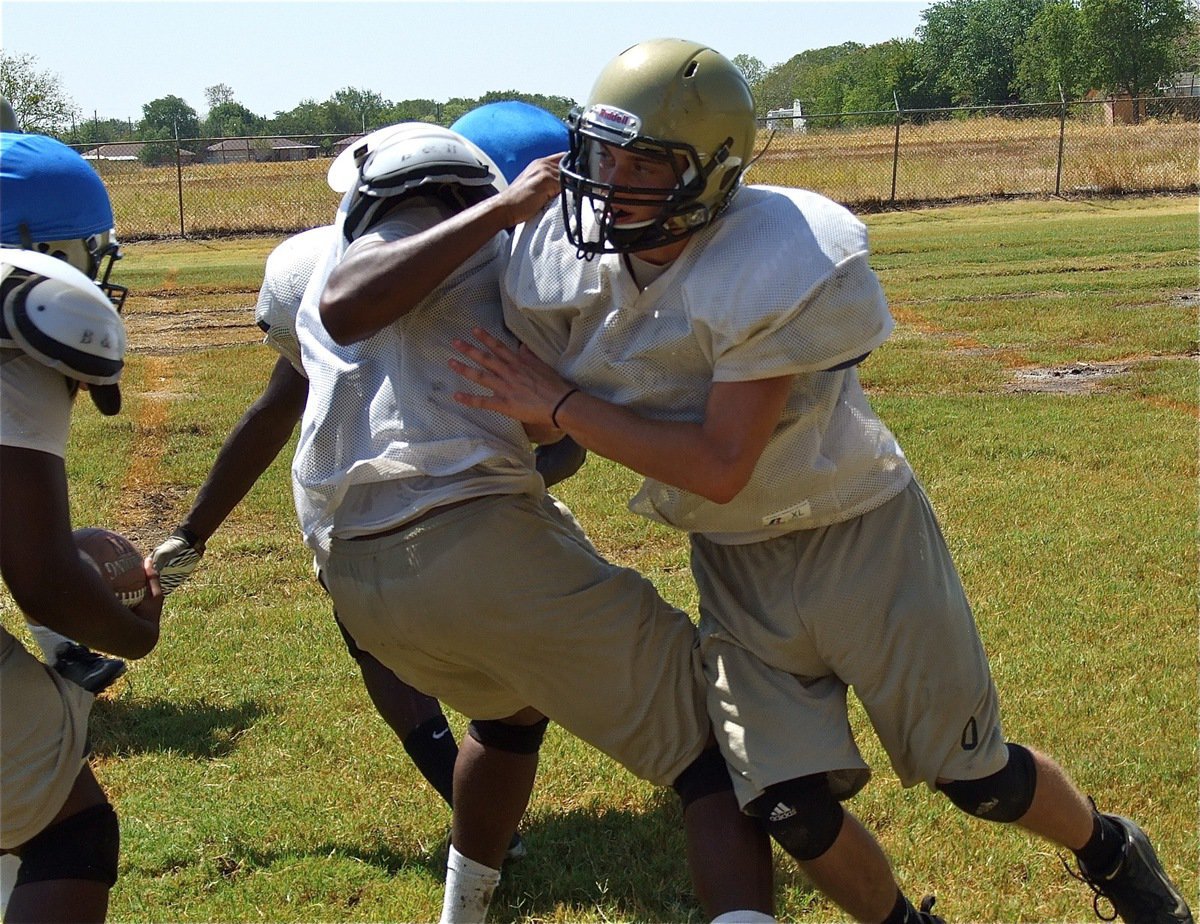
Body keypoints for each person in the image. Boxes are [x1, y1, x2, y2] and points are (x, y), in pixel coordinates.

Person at [449, 37, 1194, 924]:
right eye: (603, 152)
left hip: (859, 535)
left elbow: (722, 464)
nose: (611, 180)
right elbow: (542, 410)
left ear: (713, 174)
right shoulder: (562, 262)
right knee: (786, 806)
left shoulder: (776, 253)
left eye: (643, 161)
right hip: (734, 563)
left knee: (977, 778)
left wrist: (562, 402)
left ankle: (1110, 850)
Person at [292, 121, 774, 923]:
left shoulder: (381, 272)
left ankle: (466, 908)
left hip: (359, 576)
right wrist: (502, 209)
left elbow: (544, 435)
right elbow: (350, 303)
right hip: (460, 541)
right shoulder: (411, 233)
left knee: (509, 717)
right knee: (723, 745)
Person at [0, 134, 164, 923]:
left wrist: (61, 544)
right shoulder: (22, 314)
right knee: (72, 833)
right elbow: (41, 580)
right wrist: (135, 635)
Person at [0, 108, 131, 695]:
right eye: (90, 248)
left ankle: (59, 646)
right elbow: (44, 570)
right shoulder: (18, 368)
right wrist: (135, 633)